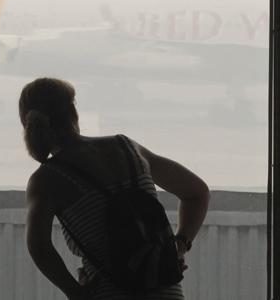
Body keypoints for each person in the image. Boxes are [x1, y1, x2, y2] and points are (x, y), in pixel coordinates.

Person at [21, 77, 210, 300]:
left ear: (29, 125)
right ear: (73, 112)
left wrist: (76, 293)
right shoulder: (128, 148)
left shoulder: (46, 179)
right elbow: (197, 193)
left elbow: (39, 247)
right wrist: (179, 247)